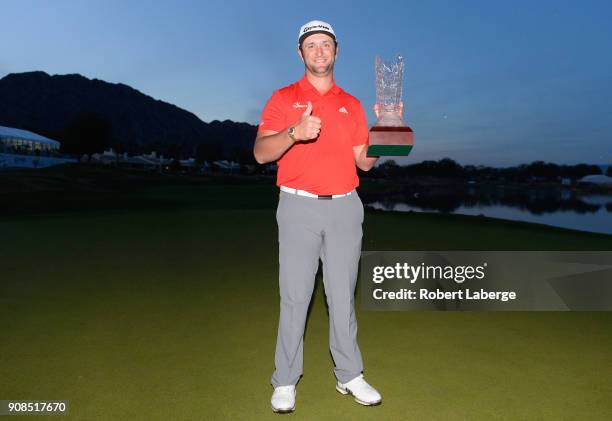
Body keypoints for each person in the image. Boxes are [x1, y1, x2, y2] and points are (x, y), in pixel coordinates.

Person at [254, 20, 392, 414]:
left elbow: (365, 163)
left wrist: (388, 130)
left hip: (346, 205)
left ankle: (349, 374)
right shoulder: (283, 98)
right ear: (300, 53)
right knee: (296, 296)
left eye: (325, 44)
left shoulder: (352, 103)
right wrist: (294, 133)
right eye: (311, 45)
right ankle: (284, 380)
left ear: (336, 51)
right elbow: (262, 153)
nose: (319, 51)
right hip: (298, 205)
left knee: (342, 296)